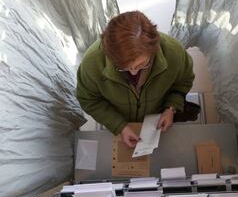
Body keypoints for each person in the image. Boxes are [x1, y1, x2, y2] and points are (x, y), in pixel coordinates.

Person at [76, 11, 197, 148]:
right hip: (116, 117)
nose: (133, 72)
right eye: (123, 67)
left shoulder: (174, 53)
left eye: (141, 65)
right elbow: (88, 99)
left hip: (157, 120)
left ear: (154, 50)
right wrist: (119, 126)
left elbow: (184, 81)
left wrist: (171, 108)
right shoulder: (92, 63)